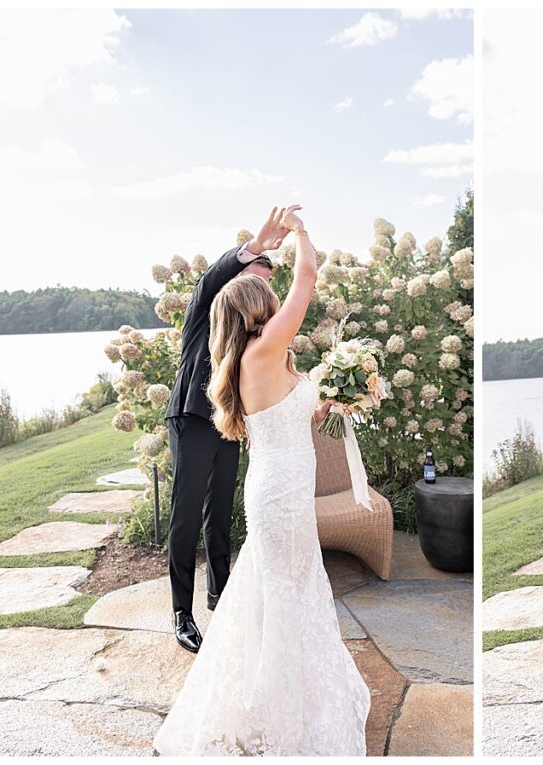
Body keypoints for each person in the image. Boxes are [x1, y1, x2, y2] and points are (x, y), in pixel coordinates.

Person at [152, 204, 370, 755]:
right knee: (284, 590)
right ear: (258, 309)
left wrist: (328, 405)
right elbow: (309, 277)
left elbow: (284, 415)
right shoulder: (264, 350)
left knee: (278, 590)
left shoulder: (254, 360)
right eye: (268, 298)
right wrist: (299, 232)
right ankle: (272, 703)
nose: (278, 304)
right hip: (280, 496)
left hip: (281, 489)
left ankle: (271, 683)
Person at [164, 207, 288, 653]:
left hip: (229, 422)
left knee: (220, 512)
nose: (259, 287)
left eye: (265, 281)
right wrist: (254, 248)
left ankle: (221, 593)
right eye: (254, 275)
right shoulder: (207, 308)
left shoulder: (256, 325)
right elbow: (211, 277)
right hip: (193, 418)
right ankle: (182, 612)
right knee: (186, 515)